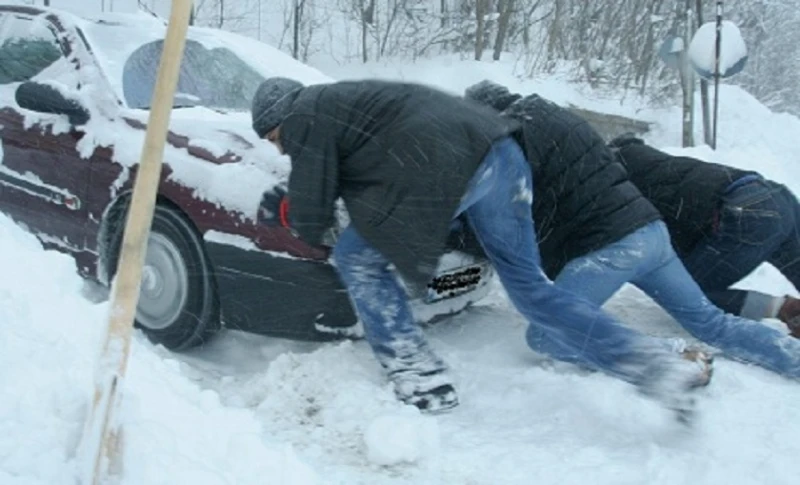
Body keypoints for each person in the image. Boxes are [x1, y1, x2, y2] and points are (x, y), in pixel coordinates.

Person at [250, 76, 711, 419]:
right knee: (530, 289)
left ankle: (416, 371)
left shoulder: (305, 114)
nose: (280, 150)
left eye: (275, 140)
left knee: (357, 257)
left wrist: (283, 210)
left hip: (447, 166)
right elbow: (370, 169)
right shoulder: (348, 103)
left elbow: (312, 214)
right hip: (502, 155)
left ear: (280, 118)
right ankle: (654, 367)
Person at [463, 79, 800, 382]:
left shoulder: (513, 143)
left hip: (610, 247)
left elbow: (514, 211)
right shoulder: (565, 120)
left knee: (547, 334)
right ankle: (792, 360)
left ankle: (668, 359)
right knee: (710, 321)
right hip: (651, 234)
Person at [608, 134, 800, 336]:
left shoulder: (612, 178)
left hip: (748, 212)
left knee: (683, 290)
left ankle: (786, 309)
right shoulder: (642, 160)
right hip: (775, 196)